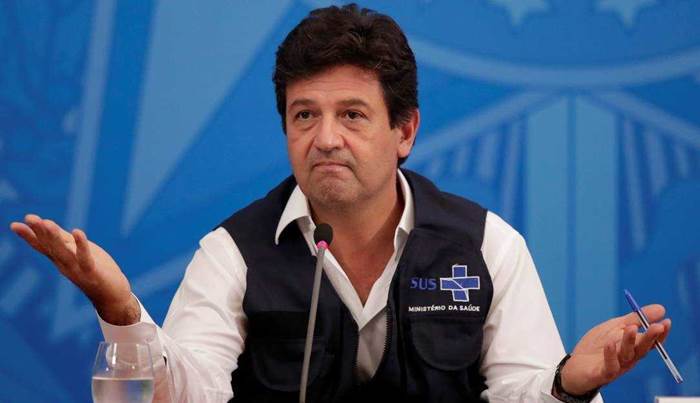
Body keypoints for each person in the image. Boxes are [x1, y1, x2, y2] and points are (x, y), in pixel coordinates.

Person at [10, 4, 671, 403]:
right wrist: (121, 310)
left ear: (405, 131)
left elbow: (520, 395)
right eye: (305, 115)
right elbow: (190, 393)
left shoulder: (486, 245)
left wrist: (569, 381)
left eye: (352, 114)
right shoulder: (235, 252)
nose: (325, 138)